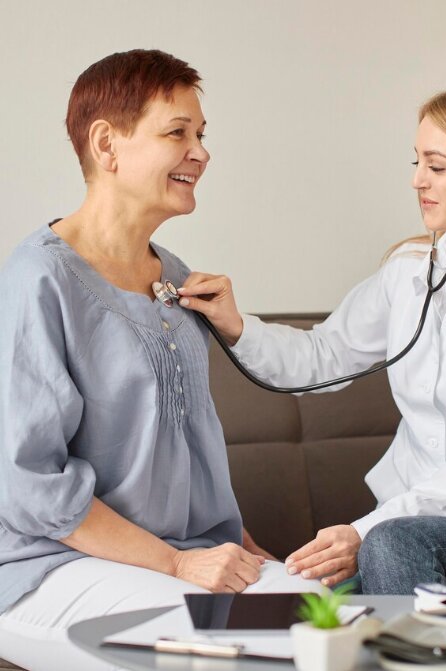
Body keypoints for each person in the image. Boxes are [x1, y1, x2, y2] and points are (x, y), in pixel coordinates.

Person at [177, 82, 446, 605]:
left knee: (390, 545)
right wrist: (235, 324)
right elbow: (322, 358)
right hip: (401, 534)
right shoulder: (408, 271)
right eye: (416, 162)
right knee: (301, 602)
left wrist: (365, 531)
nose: (417, 180)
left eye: (436, 166)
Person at [0, 49, 316, 671]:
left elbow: (177, 451)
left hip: (180, 553)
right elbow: (30, 486)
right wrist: (176, 563)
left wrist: (242, 550)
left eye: (202, 134)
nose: (201, 152)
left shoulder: (174, 277)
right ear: (106, 145)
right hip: (47, 565)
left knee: (319, 617)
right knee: (215, 646)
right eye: (178, 133)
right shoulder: (37, 281)